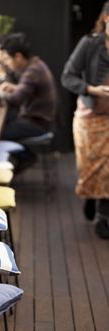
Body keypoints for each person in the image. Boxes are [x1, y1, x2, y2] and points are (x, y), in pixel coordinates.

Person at [61, 1, 109, 238]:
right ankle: (91, 194)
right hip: (90, 117)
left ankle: (103, 215)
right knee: (91, 166)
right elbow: (67, 77)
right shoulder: (90, 44)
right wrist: (91, 89)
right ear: (106, 19)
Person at [0, 32, 58, 171]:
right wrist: (15, 88)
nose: (7, 63)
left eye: (7, 59)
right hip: (39, 120)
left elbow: (17, 99)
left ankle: (26, 158)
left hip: (38, 124)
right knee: (4, 123)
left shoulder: (32, 71)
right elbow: (25, 91)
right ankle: (19, 160)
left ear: (18, 56)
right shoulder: (36, 64)